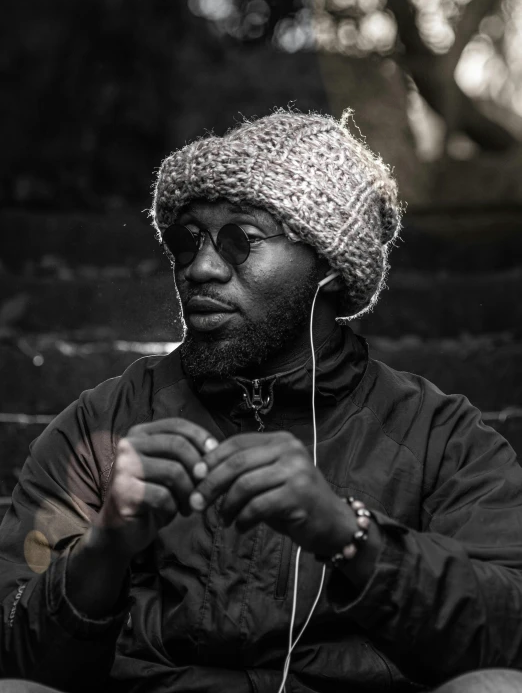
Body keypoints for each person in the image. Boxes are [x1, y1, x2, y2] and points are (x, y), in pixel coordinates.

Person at [1, 109, 522, 693]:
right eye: (186, 238)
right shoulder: (102, 427)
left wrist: (350, 535)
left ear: (328, 265)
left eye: (240, 240)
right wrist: (104, 548)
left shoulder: (437, 436)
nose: (199, 268)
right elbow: (14, 644)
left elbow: (507, 628)